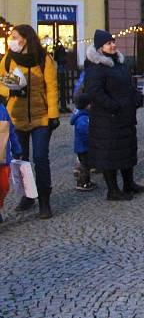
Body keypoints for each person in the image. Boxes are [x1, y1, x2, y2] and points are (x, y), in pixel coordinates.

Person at [0, 25, 59, 219]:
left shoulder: (44, 59)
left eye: (14, 37)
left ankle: (44, 200)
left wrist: (53, 115)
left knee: (41, 158)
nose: (11, 40)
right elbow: (0, 82)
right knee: (21, 159)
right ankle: (27, 196)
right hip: (16, 117)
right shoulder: (8, 59)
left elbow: (51, 88)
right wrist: (11, 89)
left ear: (25, 39)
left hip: (40, 117)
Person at [85, 30, 144, 200]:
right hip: (107, 119)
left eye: (113, 42)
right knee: (110, 154)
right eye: (108, 43)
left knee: (127, 150)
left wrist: (136, 97)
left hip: (125, 117)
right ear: (100, 48)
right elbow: (94, 92)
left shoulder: (120, 64)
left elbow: (129, 85)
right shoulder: (96, 67)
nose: (112, 45)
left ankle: (129, 184)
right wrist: (113, 106)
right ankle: (112, 190)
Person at [0, 104, 22, 224]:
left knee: (3, 186)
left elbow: (11, 130)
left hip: (2, 157)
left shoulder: (2, 109)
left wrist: (16, 148)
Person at [71, 93, 96, 191]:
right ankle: (83, 182)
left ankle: (86, 181)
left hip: (82, 146)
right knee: (85, 166)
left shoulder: (82, 116)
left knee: (85, 165)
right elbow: (85, 132)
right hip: (84, 147)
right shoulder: (83, 119)